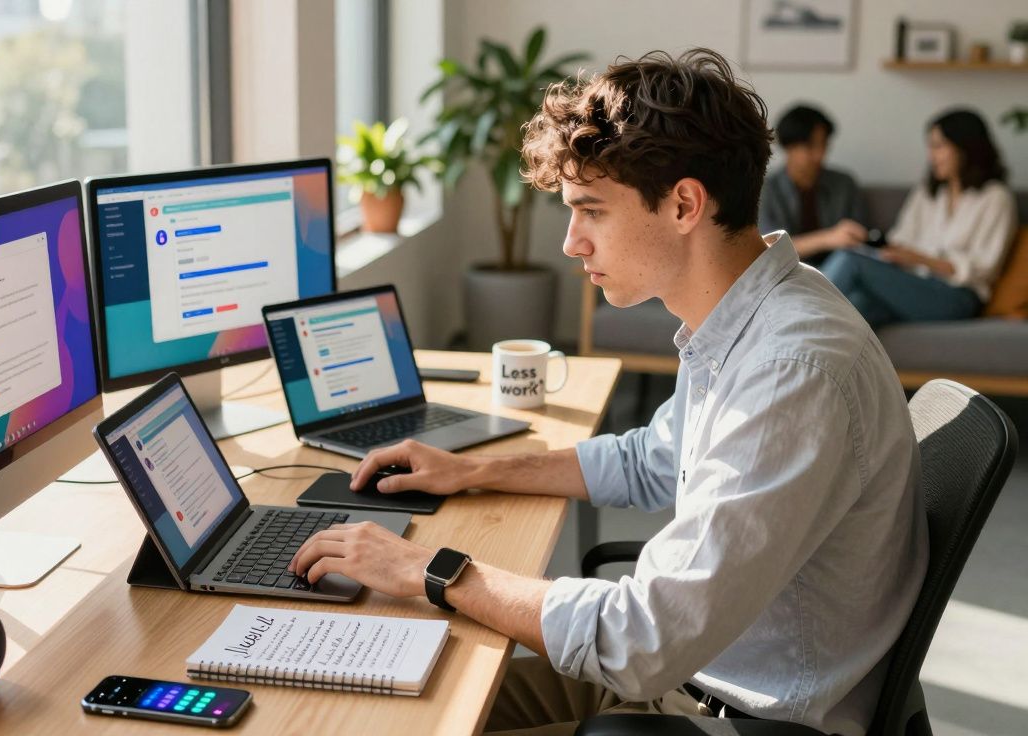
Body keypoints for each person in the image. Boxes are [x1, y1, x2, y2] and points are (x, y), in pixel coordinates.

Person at [288, 49, 926, 736]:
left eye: (591, 211)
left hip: (731, 715)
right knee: (394, 705)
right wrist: (473, 470)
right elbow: (651, 460)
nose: (571, 243)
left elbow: (640, 641)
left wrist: (434, 570)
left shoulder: (790, 372)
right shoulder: (747, 316)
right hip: (691, 677)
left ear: (684, 204)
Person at [819, 109, 1017, 328]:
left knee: (850, 260)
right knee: (857, 304)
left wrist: (920, 259)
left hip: (957, 296)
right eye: (930, 147)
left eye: (939, 146)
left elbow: (983, 268)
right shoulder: (927, 193)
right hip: (912, 285)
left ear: (966, 148)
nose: (931, 156)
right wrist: (889, 251)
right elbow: (902, 238)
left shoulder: (996, 198)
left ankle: (798, 312)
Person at [759, 104, 869, 265]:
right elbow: (768, 248)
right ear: (788, 146)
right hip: (788, 271)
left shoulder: (844, 184)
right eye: (810, 146)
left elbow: (860, 241)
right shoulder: (767, 189)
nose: (819, 154)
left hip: (841, 267)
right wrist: (828, 238)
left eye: (823, 144)